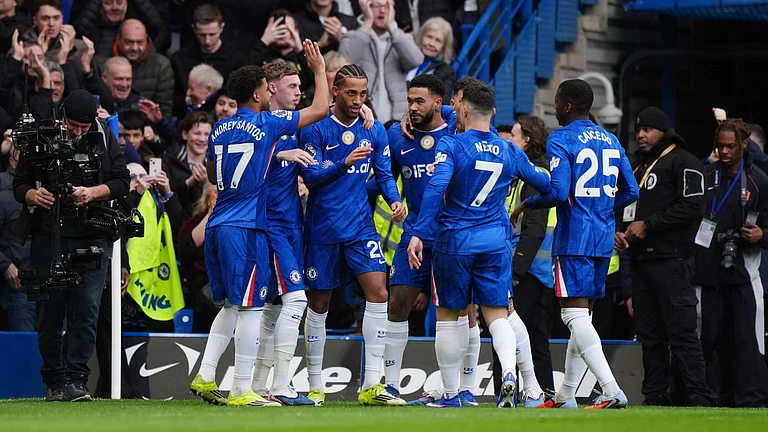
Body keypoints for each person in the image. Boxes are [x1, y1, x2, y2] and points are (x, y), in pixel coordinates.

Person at [190, 40, 330, 407]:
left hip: (217, 223)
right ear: (258, 92)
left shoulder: (219, 128)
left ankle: (206, 377)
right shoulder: (268, 122)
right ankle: (241, 389)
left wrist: (278, 152)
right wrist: (317, 70)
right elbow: (320, 108)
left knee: (231, 306)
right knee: (252, 308)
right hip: (246, 226)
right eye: (267, 89)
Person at [405, 81, 550, 408]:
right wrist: (531, 205)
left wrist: (418, 232)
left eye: (456, 104)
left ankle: (452, 394)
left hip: (455, 240)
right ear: (493, 112)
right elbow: (545, 185)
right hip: (495, 243)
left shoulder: (453, 146)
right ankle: (510, 376)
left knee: (448, 316)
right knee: (498, 316)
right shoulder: (510, 149)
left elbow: (436, 186)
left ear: (464, 109)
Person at [512, 79, 639, 409]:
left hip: (574, 239)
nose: (553, 108)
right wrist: (600, 209)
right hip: (602, 238)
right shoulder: (611, 139)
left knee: (573, 316)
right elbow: (631, 191)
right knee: (583, 317)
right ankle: (566, 395)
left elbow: (556, 192)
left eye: (555, 102)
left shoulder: (562, 138)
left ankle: (610, 389)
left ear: (567, 105)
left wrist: (529, 204)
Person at [13, 89, 130, 401]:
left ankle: (76, 380)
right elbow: (19, 183)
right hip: (48, 233)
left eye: (83, 127)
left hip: (92, 232)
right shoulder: (41, 133)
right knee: (48, 312)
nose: (77, 132)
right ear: (61, 115)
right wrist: (32, 196)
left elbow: (123, 181)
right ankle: (54, 379)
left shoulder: (104, 135)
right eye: (72, 125)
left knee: (87, 311)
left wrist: (92, 193)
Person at [300, 64, 405, 406]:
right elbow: (312, 179)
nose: (358, 100)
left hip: (361, 226)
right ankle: (315, 384)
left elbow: (384, 174)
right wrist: (344, 162)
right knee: (319, 304)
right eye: (351, 93)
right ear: (335, 91)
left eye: (363, 94)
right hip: (323, 227)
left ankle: (372, 384)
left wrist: (393, 199)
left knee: (379, 294)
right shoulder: (316, 128)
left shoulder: (373, 130)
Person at [613, 106, 712, 407]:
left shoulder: (684, 162)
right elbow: (628, 208)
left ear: (663, 132)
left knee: (682, 333)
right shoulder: (640, 168)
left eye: (647, 130)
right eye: (638, 130)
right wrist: (621, 230)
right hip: (642, 263)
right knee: (650, 336)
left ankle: (697, 395)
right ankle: (655, 395)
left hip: (672, 261)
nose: (640, 135)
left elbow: (694, 207)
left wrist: (650, 225)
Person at [246, 61, 314, 405]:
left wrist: (363, 111)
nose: (299, 92)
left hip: (292, 225)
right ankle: (282, 385)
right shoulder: (258, 128)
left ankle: (259, 384)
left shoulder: (291, 126)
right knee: (296, 300)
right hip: (270, 226)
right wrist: (277, 155)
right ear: (271, 88)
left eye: (300, 86)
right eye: (292, 86)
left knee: (273, 307)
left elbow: (326, 114)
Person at [382, 74, 453, 399]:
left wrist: (450, 112)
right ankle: (391, 384)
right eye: (409, 101)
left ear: (438, 103)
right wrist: (392, 200)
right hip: (413, 235)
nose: (412, 107)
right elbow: (384, 179)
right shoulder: (397, 136)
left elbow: (475, 113)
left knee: (455, 311)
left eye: (419, 101)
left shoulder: (455, 130)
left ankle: (455, 388)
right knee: (397, 303)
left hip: (452, 233)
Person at [695, 118, 768, 408]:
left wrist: (762, 235)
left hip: (744, 275)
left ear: (743, 146)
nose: (724, 152)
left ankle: (751, 401)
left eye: (730, 147)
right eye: (720, 146)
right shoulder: (705, 175)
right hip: (707, 275)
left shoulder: (759, 181)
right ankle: (706, 399)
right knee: (706, 340)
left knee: (748, 341)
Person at [503, 115, 555, 404]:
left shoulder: (532, 177)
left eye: (514, 135)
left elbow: (534, 230)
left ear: (527, 141)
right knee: (536, 335)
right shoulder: (534, 175)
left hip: (525, 270)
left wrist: (515, 271)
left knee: (507, 329)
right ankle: (545, 393)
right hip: (539, 269)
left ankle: (506, 390)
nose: (509, 140)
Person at [339, 0, 423, 123]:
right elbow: (346, 65)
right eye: (376, 6)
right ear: (365, 8)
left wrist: (393, 30)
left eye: (386, 6)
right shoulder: (352, 37)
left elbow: (416, 60)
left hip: (397, 118)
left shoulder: (400, 38)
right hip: (363, 114)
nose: (382, 11)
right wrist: (367, 22)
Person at [0, 141, 34, 331]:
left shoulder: (54, 197)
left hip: (55, 290)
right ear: (14, 163)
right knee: (24, 349)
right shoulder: (4, 199)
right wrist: (6, 265)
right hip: (19, 289)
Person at [406, 17, 455, 102]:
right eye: (429, 37)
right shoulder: (405, 57)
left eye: (438, 41)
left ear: (444, 47)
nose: (431, 44)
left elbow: (442, 101)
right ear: (421, 36)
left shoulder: (446, 73)